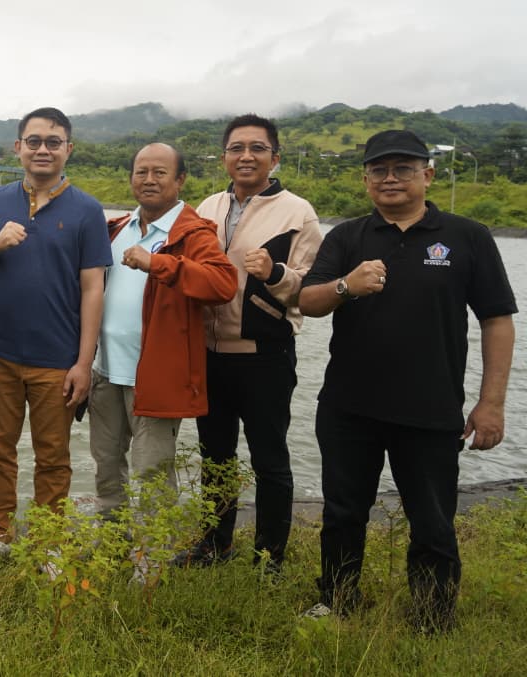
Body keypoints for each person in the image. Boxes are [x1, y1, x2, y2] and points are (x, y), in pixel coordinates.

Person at [300, 129, 516, 632]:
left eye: (403, 168)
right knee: (342, 514)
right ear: (366, 179)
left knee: (433, 521)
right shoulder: (347, 237)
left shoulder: (468, 236)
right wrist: (345, 287)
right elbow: (308, 303)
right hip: (348, 408)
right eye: (379, 170)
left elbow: (497, 319)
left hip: (431, 408)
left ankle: (431, 619)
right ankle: (336, 600)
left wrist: (492, 403)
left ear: (428, 173)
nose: (390, 178)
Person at [0, 107, 111, 567]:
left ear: (69, 149)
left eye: (53, 141)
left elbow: (93, 290)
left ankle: (50, 543)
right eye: (34, 141)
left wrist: (84, 363)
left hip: (57, 357)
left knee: (53, 456)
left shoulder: (87, 210)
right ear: (18, 148)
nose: (42, 149)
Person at [186, 114, 322, 571]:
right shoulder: (206, 207)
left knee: (270, 459)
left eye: (257, 148)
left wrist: (275, 273)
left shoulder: (297, 211)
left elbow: (312, 286)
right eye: (237, 148)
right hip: (209, 353)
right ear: (224, 156)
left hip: (265, 355)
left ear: (274, 157)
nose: (246, 156)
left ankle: (269, 557)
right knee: (215, 457)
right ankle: (214, 544)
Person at [88, 144, 235, 537]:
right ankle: (112, 545)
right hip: (104, 370)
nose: (149, 180)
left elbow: (223, 283)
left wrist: (159, 263)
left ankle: (152, 561)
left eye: (159, 173)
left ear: (180, 180)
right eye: (141, 172)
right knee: (106, 465)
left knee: (151, 472)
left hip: (153, 376)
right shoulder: (116, 229)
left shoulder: (191, 232)